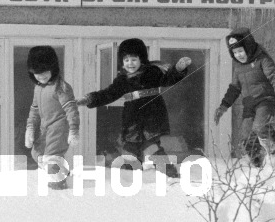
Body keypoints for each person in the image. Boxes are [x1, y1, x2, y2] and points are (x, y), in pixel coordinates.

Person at [76, 38, 191, 176]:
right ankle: (129, 176)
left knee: (151, 147)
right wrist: (90, 99)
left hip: (151, 116)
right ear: (122, 63)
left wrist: (178, 69)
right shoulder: (122, 80)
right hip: (132, 118)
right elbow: (108, 94)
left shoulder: (152, 72)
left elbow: (168, 79)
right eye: (126, 60)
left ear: (141, 59)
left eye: (134, 59)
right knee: (130, 148)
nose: (130, 63)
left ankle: (170, 174)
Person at [213, 28, 275, 167]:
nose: (238, 55)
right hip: (249, 103)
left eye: (241, 51)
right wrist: (223, 106)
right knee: (246, 136)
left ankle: (273, 149)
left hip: (265, 100)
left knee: (260, 127)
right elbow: (235, 88)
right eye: (235, 52)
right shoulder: (238, 66)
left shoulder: (262, 59)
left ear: (248, 47)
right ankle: (257, 163)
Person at [24, 45, 80, 190]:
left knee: (52, 158)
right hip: (45, 128)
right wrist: (30, 129)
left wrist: (73, 129)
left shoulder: (61, 87)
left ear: (53, 68)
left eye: (45, 71)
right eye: (37, 73)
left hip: (59, 128)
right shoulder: (38, 88)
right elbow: (34, 110)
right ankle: (60, 174)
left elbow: (71, 109)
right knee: (37, 153)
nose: (41, 76)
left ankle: (57, 187)